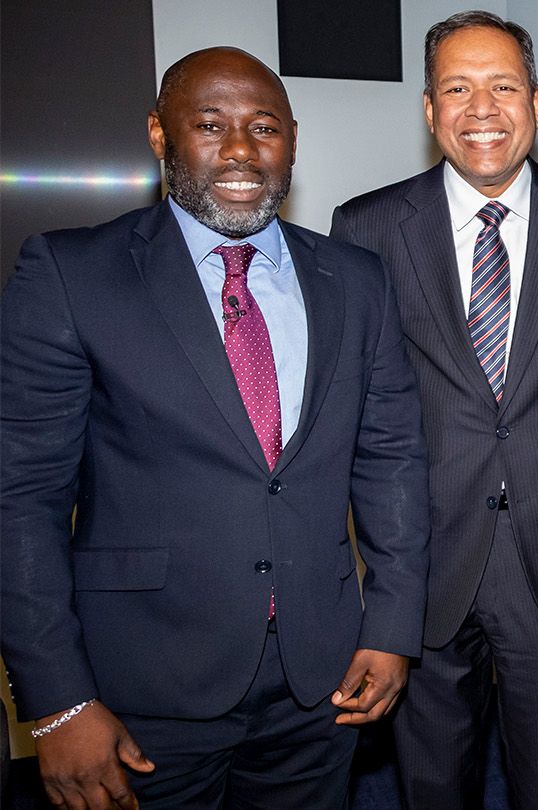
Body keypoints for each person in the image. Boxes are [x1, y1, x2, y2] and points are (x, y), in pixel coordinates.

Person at [0, 47, 429, 809]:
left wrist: (392, 627)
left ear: (292, 140)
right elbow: (20, 498)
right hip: (140, 691)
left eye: (264, 127)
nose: (240, 150)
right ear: (160, 136)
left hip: (321, 682)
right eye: (209, 124)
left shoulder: (357, 280)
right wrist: (58, 700)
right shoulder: (72, 275)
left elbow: (392, 460)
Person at [329, 10, 538, 808]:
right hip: (422, 562)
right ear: (429, 111)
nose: (482, 109)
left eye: (502, 86)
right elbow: (352, 402)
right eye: (457, 89)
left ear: (537, 102)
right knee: (433, 787)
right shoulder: (364, 229)